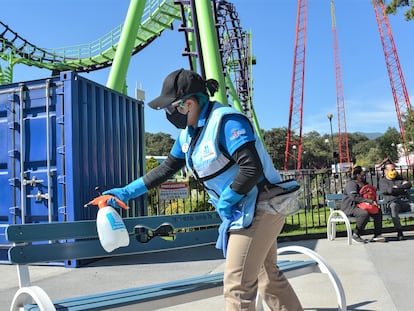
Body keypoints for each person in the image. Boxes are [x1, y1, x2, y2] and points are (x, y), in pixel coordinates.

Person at [103, 68, 303, 310]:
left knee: (237, 289)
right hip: (245, 211)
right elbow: (165, 169)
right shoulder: (189, 134)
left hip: (259, 209)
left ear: (188, 104)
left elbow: (251, 168)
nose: (168, 114)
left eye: (170, 107)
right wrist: (125, 192)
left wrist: (227, 199)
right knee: (268, 276)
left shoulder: (226, 122)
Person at [341, 165, 386, 244]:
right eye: (362, 174)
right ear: (358, 175)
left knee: (377, 211)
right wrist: (369, 201)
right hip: (351, 207)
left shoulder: (364, 184)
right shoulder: (351, 184)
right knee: (364, 214)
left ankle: (377, 234)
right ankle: (356, 234)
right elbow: (354, 197)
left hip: (363, 205)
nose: (364, 175)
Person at [379, 160, 413, 241]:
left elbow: (408, 184)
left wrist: (397, 188)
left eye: (394, 169)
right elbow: (389, 191)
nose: (394, 171)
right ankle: (399, 231)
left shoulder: (399, 178)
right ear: (386, 171)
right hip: (392, 203)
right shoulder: (383, 181)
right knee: (393, 207)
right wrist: (401, 188)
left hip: (405, 203)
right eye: (392, 170)